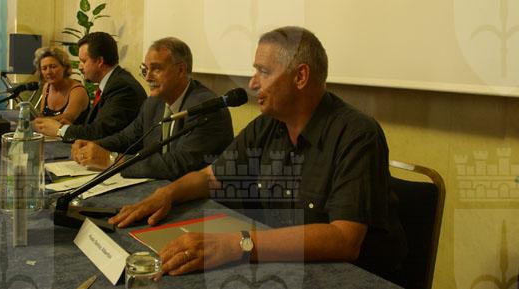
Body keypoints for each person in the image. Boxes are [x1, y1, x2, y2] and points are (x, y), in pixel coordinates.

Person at [107, 27, 407, 283]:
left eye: (263, 72)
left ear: (300, 76)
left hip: (348, 276)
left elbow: (344, 239)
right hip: (282, 265)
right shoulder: (268, 124)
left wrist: (238, 244)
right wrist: (167, 194)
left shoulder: (357, 133)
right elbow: (211, 177)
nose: (252, 83)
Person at [70, 37, 234, 180]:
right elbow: (126, 138)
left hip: (201, 198)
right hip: (157, 185)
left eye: (156, 69)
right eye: (145, 69)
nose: (147, 77)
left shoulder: (206, 107)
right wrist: (92, 146)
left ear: (181, 70)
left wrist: (112, 160)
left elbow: (178, 164)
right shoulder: (153, 103)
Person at [33, 32, 146, 141]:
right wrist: (71, 128)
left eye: (83, 61)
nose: (80, 67)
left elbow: (100, 132)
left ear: (100, 61)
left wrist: (60, 130)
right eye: (44, 68)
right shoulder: (113, 82)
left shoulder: (122, 87)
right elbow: (96, 126)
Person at [33, 46, 90, 126]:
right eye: (44, 68)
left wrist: (38, 121)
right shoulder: (47, 87)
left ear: (65, 67)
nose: (48, 72)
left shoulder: (78, 90)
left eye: (53, 67)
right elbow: (42, 116)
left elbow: (67, 118)